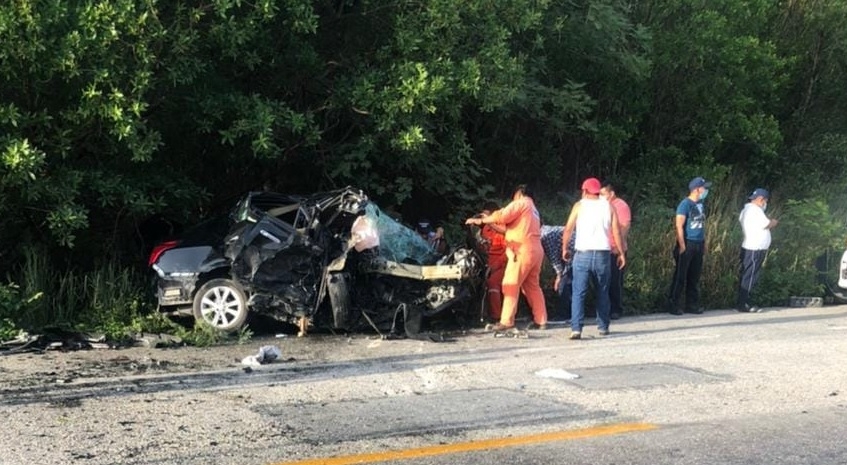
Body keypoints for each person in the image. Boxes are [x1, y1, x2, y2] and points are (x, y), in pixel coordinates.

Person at [465, 185, 547, 331]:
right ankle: (541, 320)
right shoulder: (533, 209)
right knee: (532, 287)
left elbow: (502, 216)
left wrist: (483, 221)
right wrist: (489, 221)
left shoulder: (521, 202)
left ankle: (506, 321)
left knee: (510, 284)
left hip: (521, 250)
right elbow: (507, 229)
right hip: (535, 250)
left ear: (519, 193)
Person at [561, 178, 625, 339]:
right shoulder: (608, 206)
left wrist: (564, 248)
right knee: (602, 290)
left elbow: (568, 229)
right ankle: (603, 326)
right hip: (603, 254)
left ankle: (576, 328)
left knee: (578, 292)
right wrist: (621, 253)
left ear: (585, 191)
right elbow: (616, 231)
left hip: (583, 253)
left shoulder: (579, 205)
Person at [667, 176, 711, 315]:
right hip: (687, 242)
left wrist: (704, 242)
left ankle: (691, 304)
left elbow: (702, 225)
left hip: (699, 242)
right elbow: (679, 225)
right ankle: (673, 304)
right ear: (697, 189)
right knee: (681, 276)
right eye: (704, 188)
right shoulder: (685, 204)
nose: (706, 190)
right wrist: (682, 245)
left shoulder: (701, 204)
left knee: (694, 276)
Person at [737, 188, 778, 313]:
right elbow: (766, 224)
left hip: (751, 246)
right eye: (765, 200)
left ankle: (743, 301)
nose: (766, 203)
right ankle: (745, 303)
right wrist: (774, 222)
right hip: (755, 248)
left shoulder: (746, 210)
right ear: (761, 199)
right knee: (750, 276)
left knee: (748, 275)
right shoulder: (755, 211)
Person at [600, 181, 631, 320]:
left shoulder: (621, 206)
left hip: (615, 249)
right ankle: (604, 308)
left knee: (615, 281)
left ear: (611, 194)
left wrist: (620, 249)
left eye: (603, 194)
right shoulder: (602, 206)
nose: (601, 196)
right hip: (604, 247)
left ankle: (616, 309)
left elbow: (624, 227)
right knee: (605, 280)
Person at [477, 202, 507, 321]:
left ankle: (496, 316)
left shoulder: (503, 230)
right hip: (485, 263)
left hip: (502, 265)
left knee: (492, 282)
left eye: (487, 216)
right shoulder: (483, 230)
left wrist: (494, 267)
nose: (485, 219)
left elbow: (507, 253)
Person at [540, 224, 574, 323]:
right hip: (574, 251)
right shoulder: (547, 230)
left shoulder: (545, 236)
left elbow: (554, 257)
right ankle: (570, 313)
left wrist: (559, 275)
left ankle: (564, 315)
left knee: (564, 283)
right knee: (569, 282)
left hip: (573, 253)